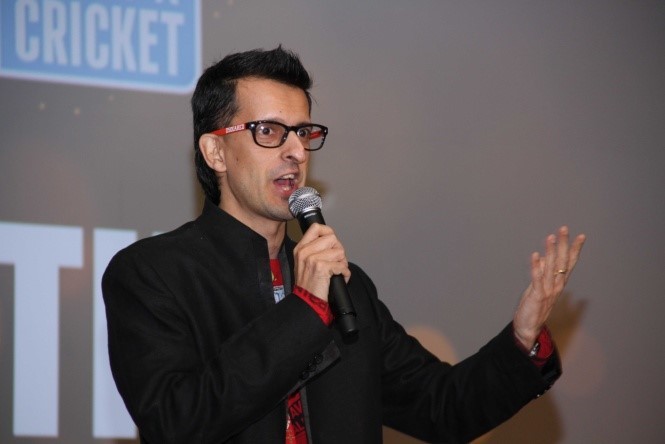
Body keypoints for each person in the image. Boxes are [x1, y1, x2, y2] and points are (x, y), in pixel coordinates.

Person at [102, 46, 586, 444]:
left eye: (303, 132)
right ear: (215, 152)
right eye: (269, 131)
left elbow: (443, 407)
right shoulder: (153, 274)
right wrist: (305, 310)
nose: (296, 151)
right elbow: (176, 421)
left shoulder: (347, 288)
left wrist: (522, 338)